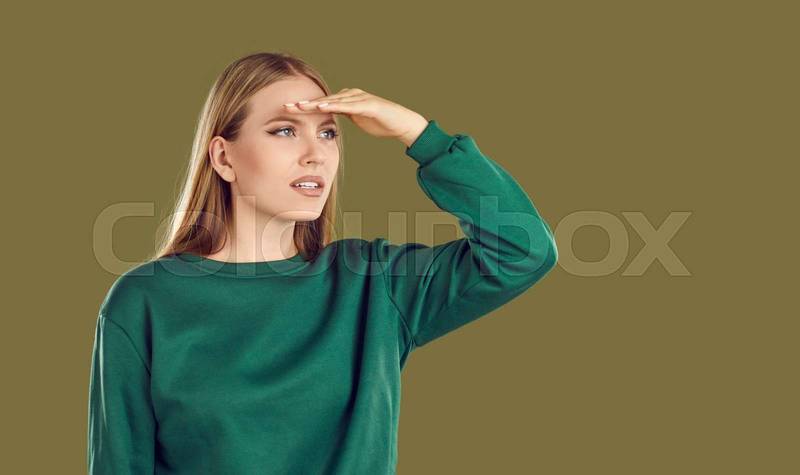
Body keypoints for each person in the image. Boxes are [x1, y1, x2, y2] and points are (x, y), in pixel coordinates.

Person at [87, 51, 558, 474]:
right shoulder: (146, 300)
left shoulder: (373, 282)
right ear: (224, 158)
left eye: (328, 133)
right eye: (285, 130)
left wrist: (419, 135)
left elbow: (524, 251)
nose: (315, 155)